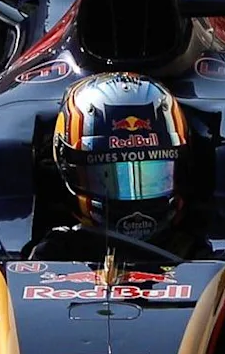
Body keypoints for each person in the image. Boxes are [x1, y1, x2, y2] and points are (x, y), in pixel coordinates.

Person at [43, 72, 195, 257]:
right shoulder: (53, 249)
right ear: (65, 165)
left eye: (154, 176)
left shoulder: (198, 248)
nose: (133, 199)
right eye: (107, 176)